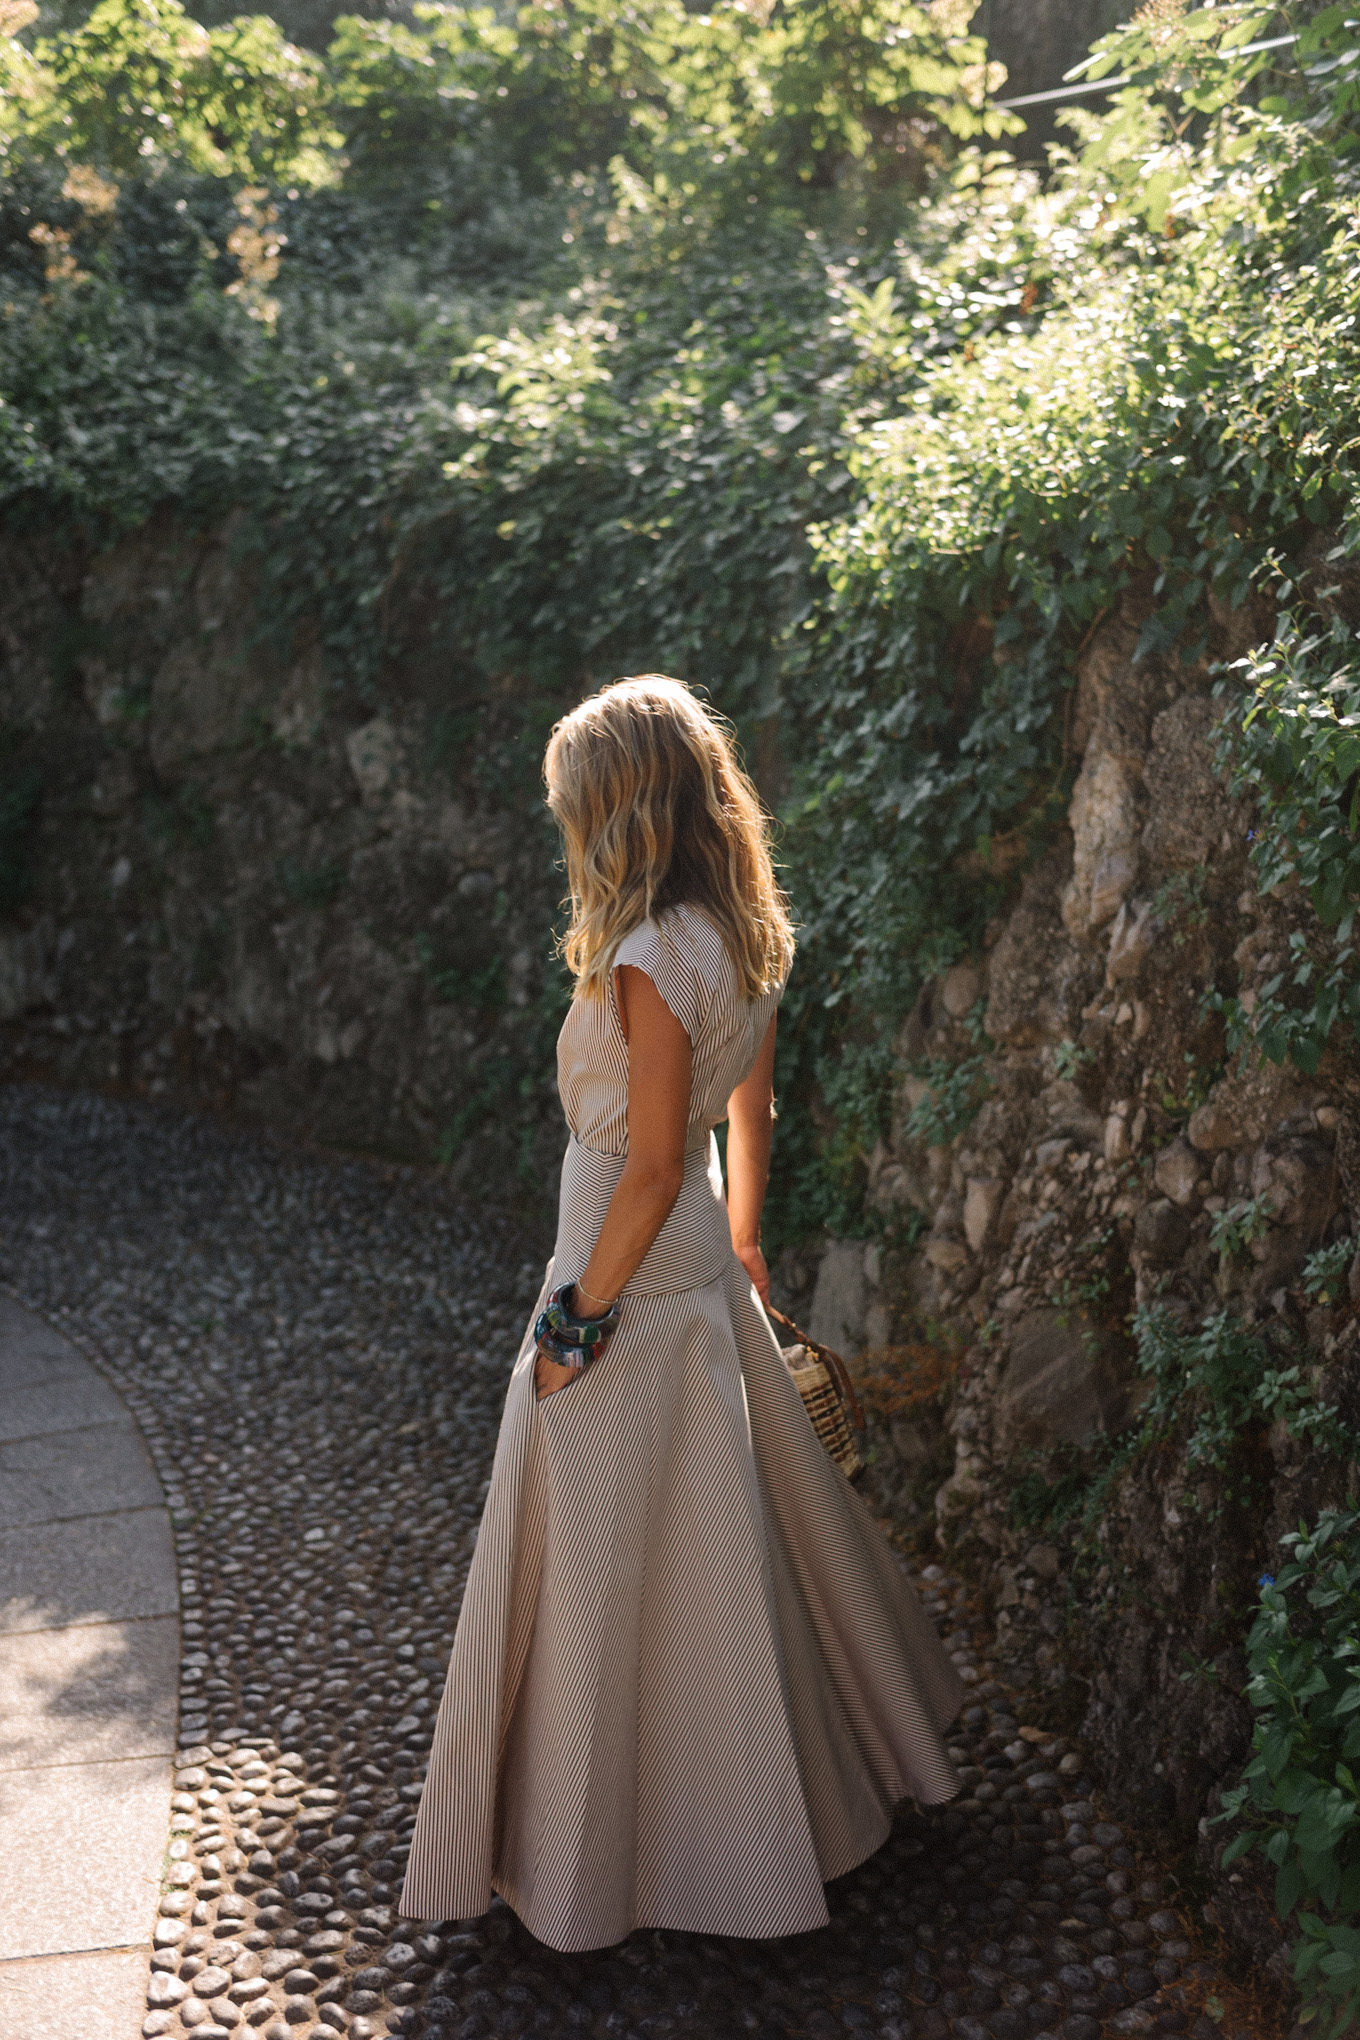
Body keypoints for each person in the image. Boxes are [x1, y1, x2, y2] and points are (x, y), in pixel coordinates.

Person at [399, 675, 963, 1953]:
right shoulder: (740, 928)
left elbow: (653, 1163)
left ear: (618, 809)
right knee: (713, 1547)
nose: (563, 827)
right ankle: (744, 1819)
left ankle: (602, 1856)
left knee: (596, 1556)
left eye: (571, 806)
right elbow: (746, 1116)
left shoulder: (652, 955)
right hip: (693, 1261)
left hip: (625, 1263)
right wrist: (747, 1237)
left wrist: (574, 1327)